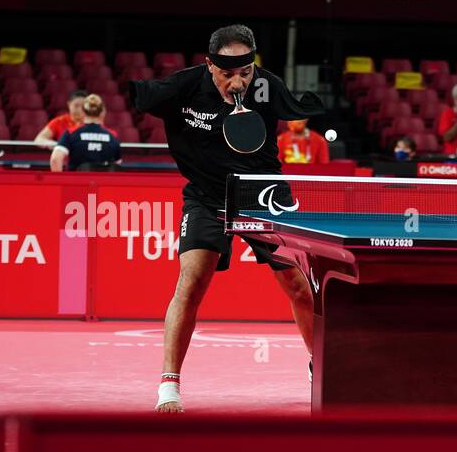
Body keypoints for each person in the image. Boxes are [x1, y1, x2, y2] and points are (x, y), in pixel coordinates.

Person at [124, 24, 325, 412]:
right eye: (228, 72)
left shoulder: (265, 86)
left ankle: (322, 367)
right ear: (209, 65)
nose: (239, 81)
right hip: (207, 195)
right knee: (192, 281)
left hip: (265, 196)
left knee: (299, 286)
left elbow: (303, 107)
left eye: (245, 72)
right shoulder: (183, 87)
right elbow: (137, 94)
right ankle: (169, 384)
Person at [49, 94, 121, 172]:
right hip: (103, 183)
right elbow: (117, 165)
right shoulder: (112, 135)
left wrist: (61, 181)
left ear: (83, 111)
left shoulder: (70, 133)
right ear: (102, 112)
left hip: (77, 182)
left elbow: (55, 160)